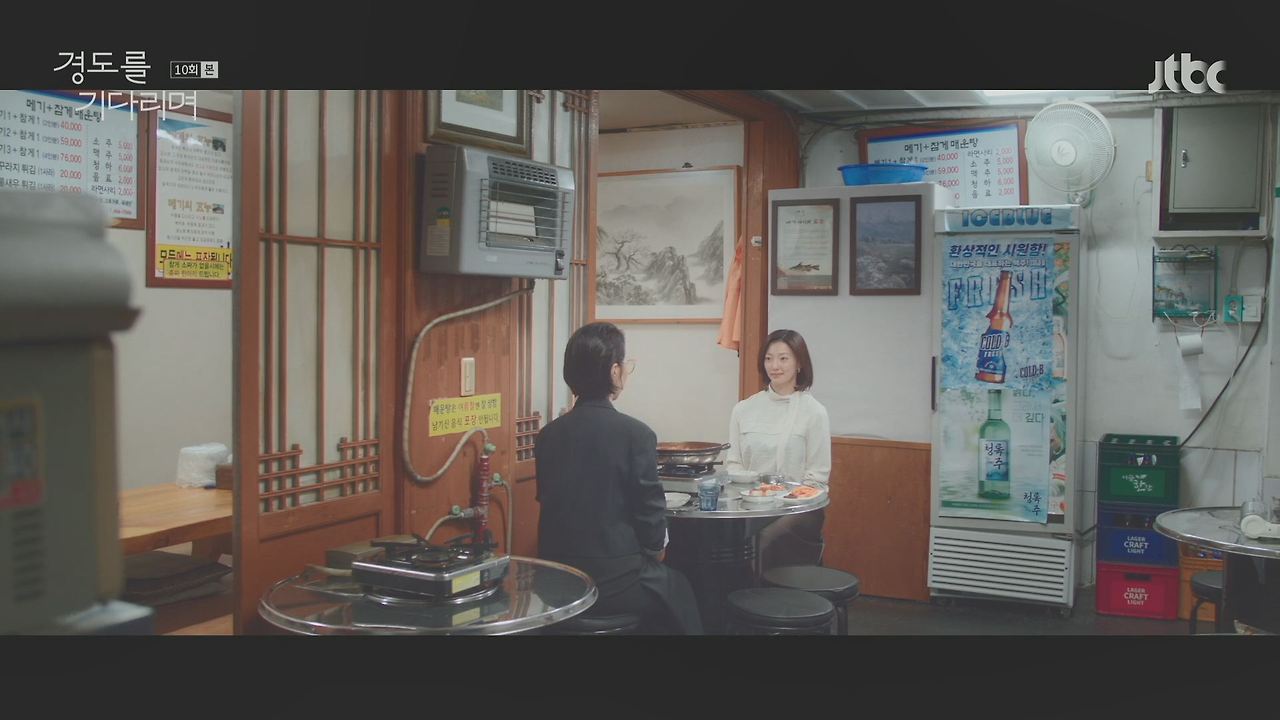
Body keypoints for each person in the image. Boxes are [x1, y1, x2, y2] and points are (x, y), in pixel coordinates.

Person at [535, 322, 703, 634]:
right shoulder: (635, 434)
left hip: (556, 581)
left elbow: (548, 501)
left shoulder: (547, 435)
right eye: (624, 364)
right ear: (614, 372)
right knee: (680, 585)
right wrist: (656, 549)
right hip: (615, 584)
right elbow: (650, 513)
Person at [725, 328, 831, 569]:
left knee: (761, 541)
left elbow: (817, 479)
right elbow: (734, 464)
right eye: (769, 358)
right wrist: (754, 496)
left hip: (797, 509)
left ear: (799, 363)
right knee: (717, 537)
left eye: (783, 358)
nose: (775, 366)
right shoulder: (743, 409)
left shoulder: (814, 412)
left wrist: (783, 499)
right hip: (750, 504)